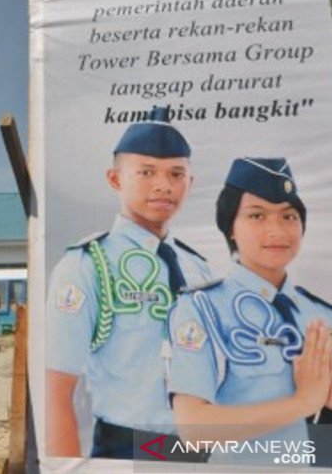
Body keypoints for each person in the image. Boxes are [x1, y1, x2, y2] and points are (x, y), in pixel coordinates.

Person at [168, 157, 332, 468]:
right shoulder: (203, 308)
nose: (277, 230)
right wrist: (302, 403)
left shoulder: (328, 317)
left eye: (289, 216)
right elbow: (193, 431)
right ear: (230, 227)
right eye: (257, 215)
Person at [45, 121, 213, 459]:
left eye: (176, 174)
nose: (164, 186)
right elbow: (57, 392)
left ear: (190, 183)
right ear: (116, 179)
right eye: (147, 172)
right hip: (129, 450)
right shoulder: (89, 265)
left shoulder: (199, 269)